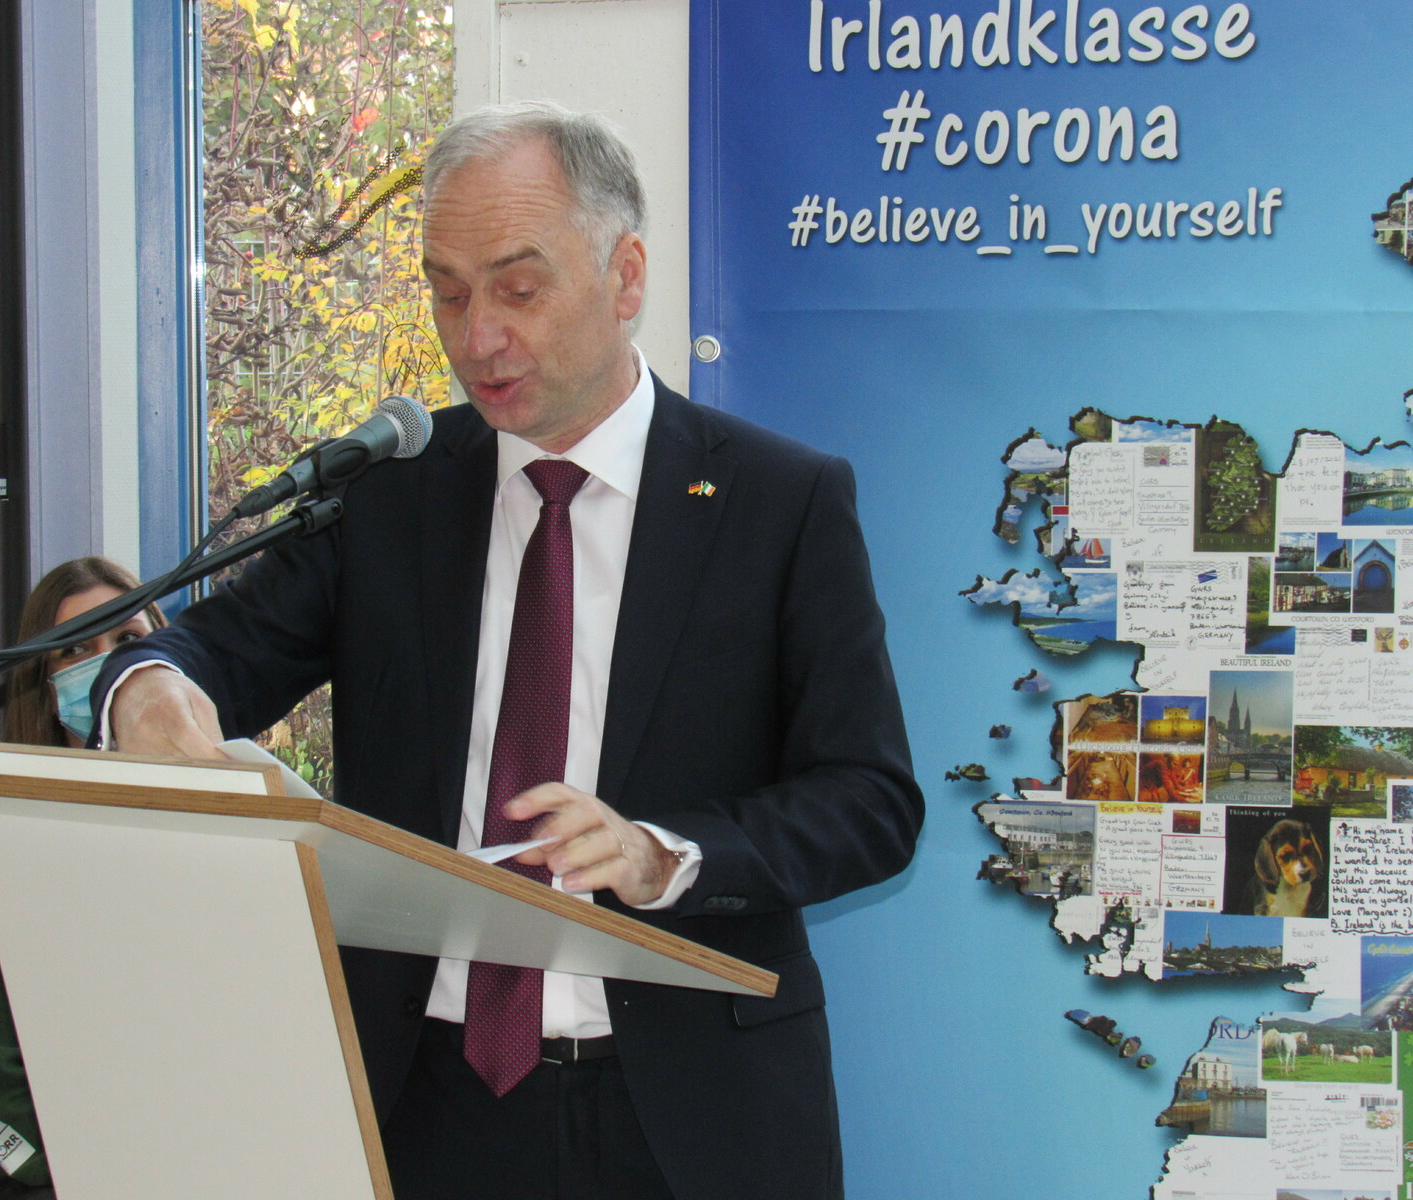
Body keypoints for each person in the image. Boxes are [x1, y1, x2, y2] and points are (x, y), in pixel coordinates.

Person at [98, 101, 924, 1200]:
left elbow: (869, 800)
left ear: (625, 277)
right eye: (447, 291)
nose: (475, 336)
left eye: (517, 290)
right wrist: (148, 689)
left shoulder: (778, 500)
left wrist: (662, 856)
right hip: (423, 1105)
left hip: (692, 1115)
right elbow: (211, 652)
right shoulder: (386, 493)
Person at [0, 557, 164, 1200]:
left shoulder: (220, 839)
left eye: (127, 640)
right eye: (75, 649)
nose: (107, 663)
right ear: (42, 681)